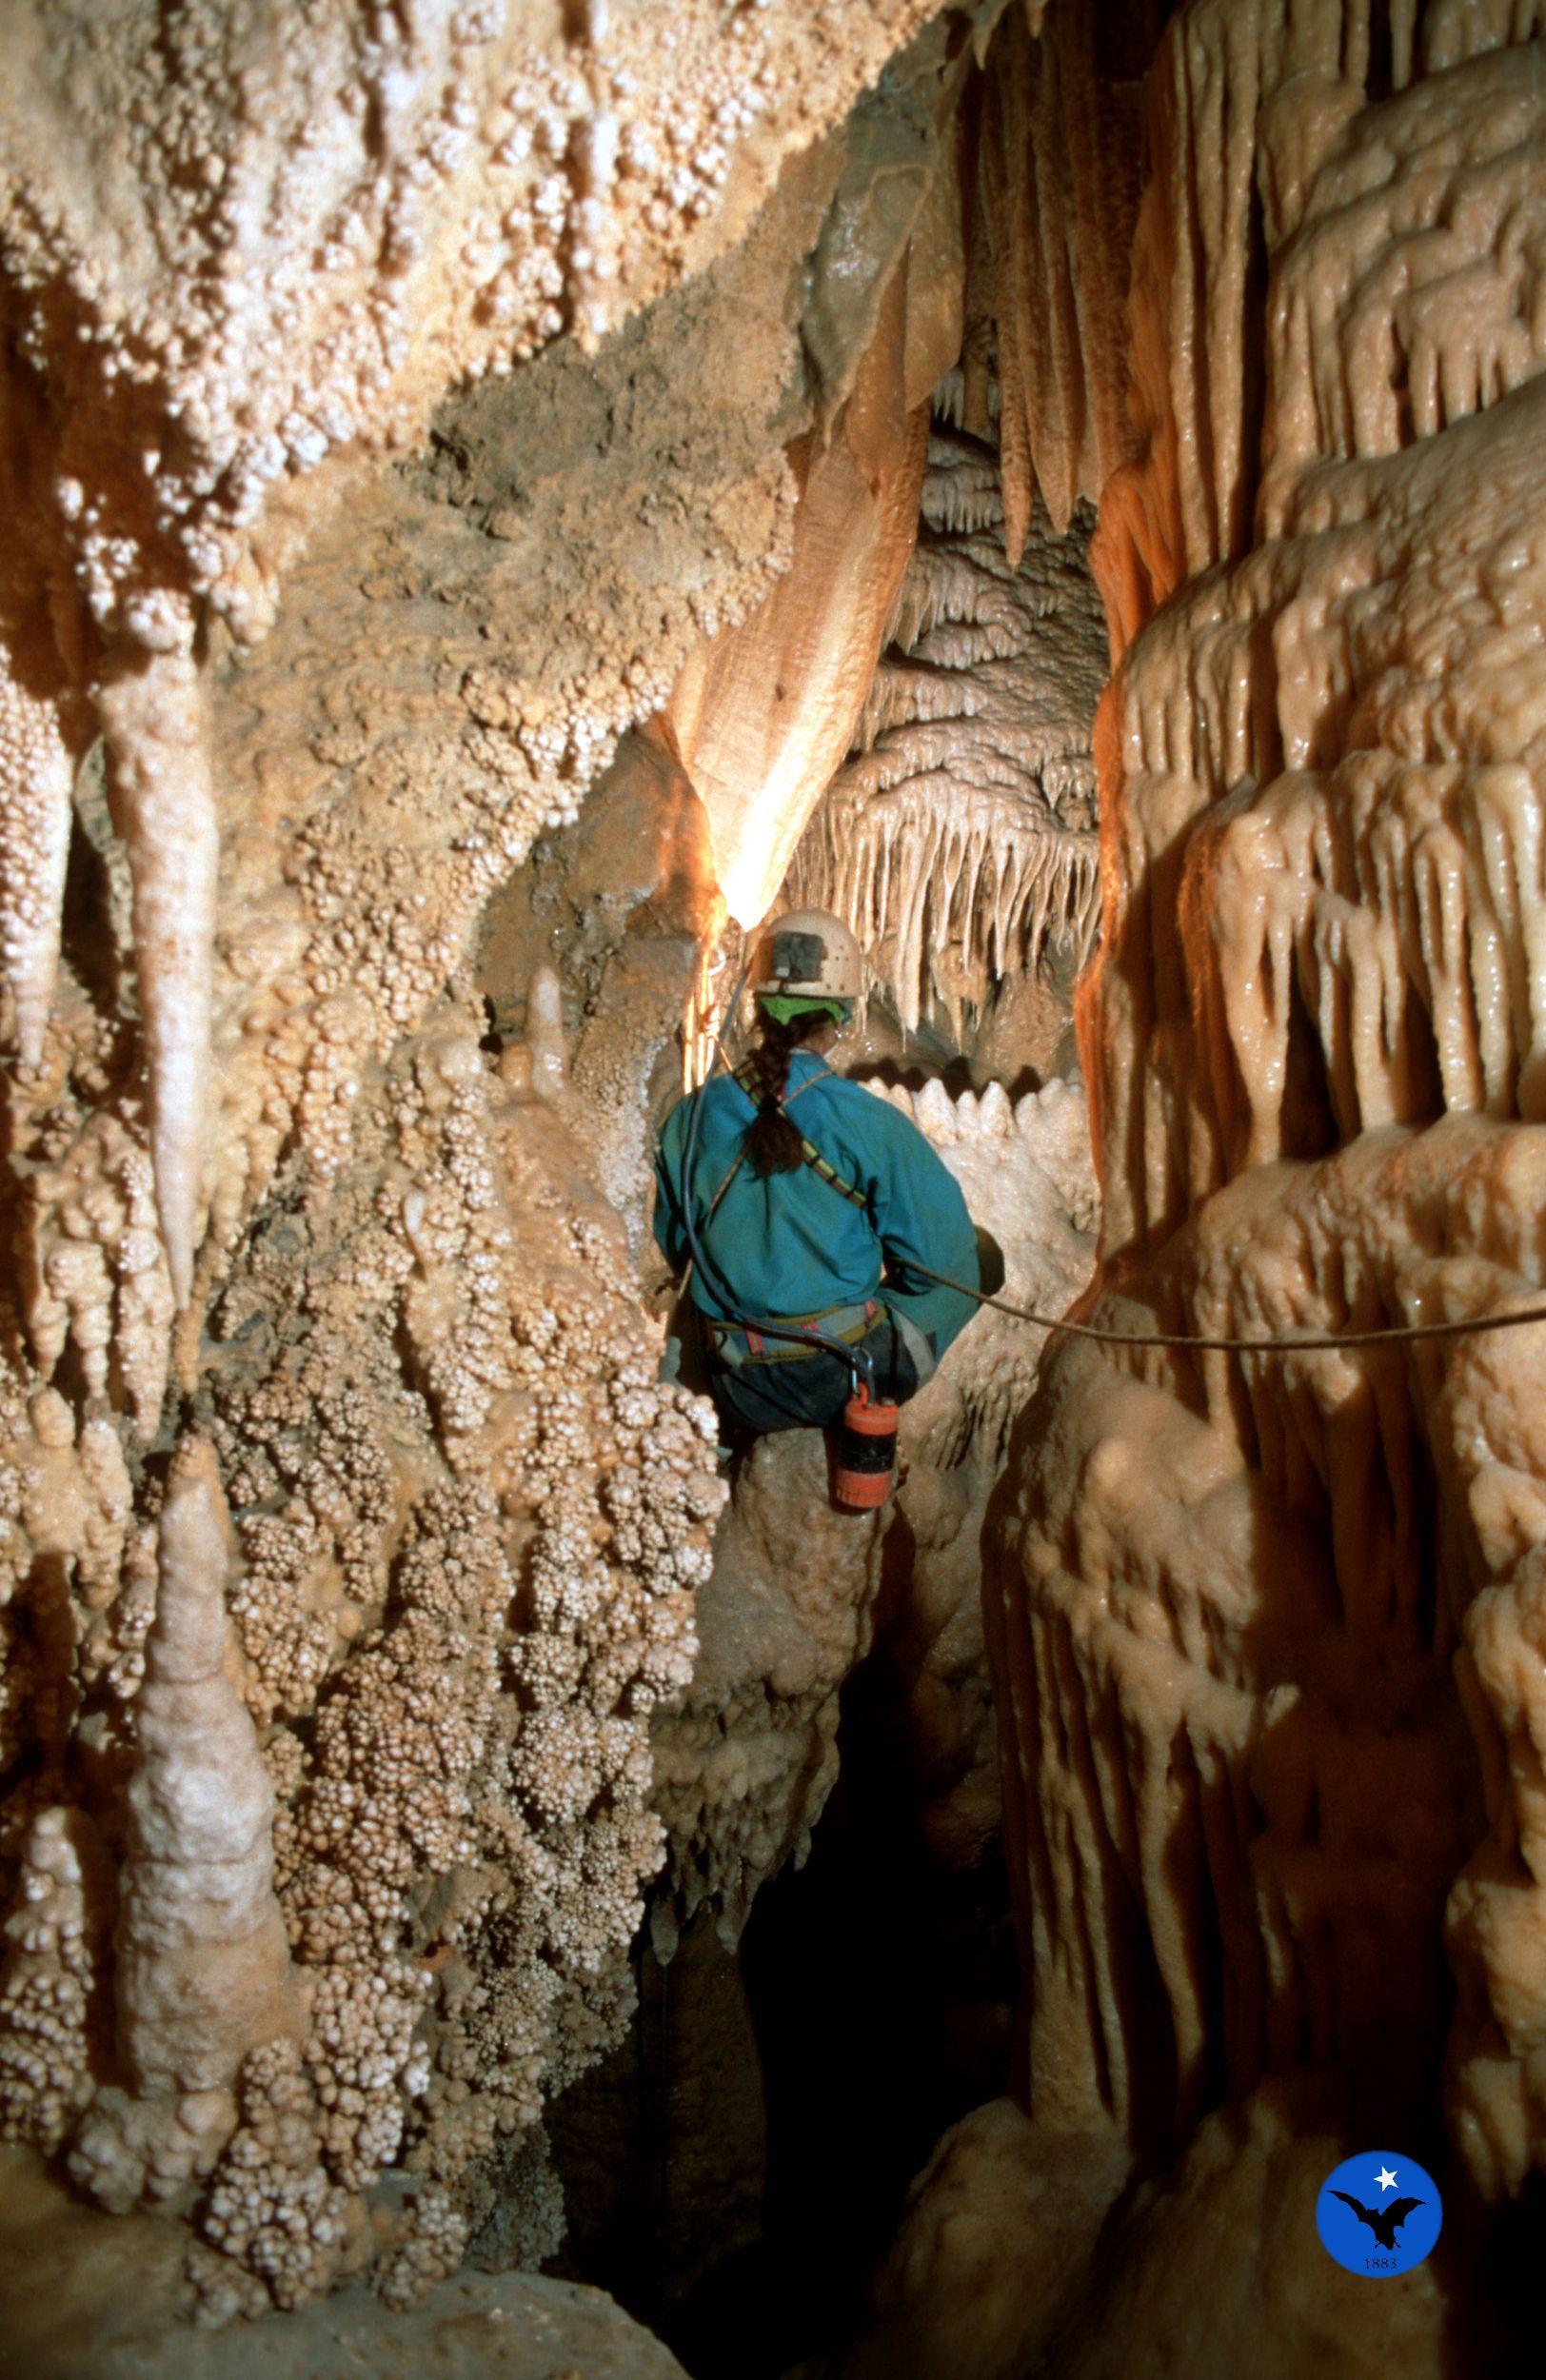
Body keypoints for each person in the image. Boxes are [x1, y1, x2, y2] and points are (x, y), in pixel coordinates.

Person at [652, 908, 999, 1438]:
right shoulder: (868, 1123)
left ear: (759, 1006)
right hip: (834, 1378)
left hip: (733, 1380)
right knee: (979, 1258)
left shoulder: (691, 1116)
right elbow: (940, 1259)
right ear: (839, 1018)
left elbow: (680, 1244)